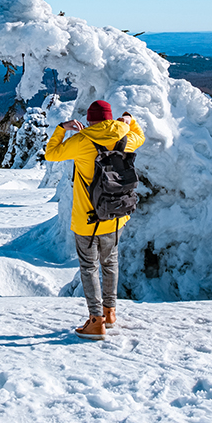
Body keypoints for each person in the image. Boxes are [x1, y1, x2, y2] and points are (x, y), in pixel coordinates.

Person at [44, 99, 145, 340]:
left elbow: (51, 153)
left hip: (86, 219)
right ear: (110, 119)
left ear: (89, 120)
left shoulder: (81, 141)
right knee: (110, 263)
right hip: (116, 216)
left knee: (89, 268)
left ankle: (95, 321)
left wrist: (62, 128)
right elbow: (138, 135)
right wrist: (129, 119)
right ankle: (109, 313)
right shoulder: (125, 138)